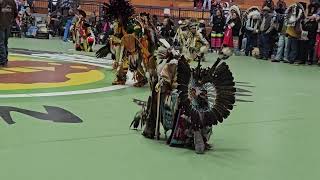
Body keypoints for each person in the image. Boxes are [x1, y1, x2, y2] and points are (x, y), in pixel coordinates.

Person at [0, 0, 18, 66]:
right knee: (5, 43)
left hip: (1, 25)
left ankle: (2, 60)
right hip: (8, 25)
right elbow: (16, 13)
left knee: (1, 43)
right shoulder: (12, 1)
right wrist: (11, 20)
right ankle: (5, 60)